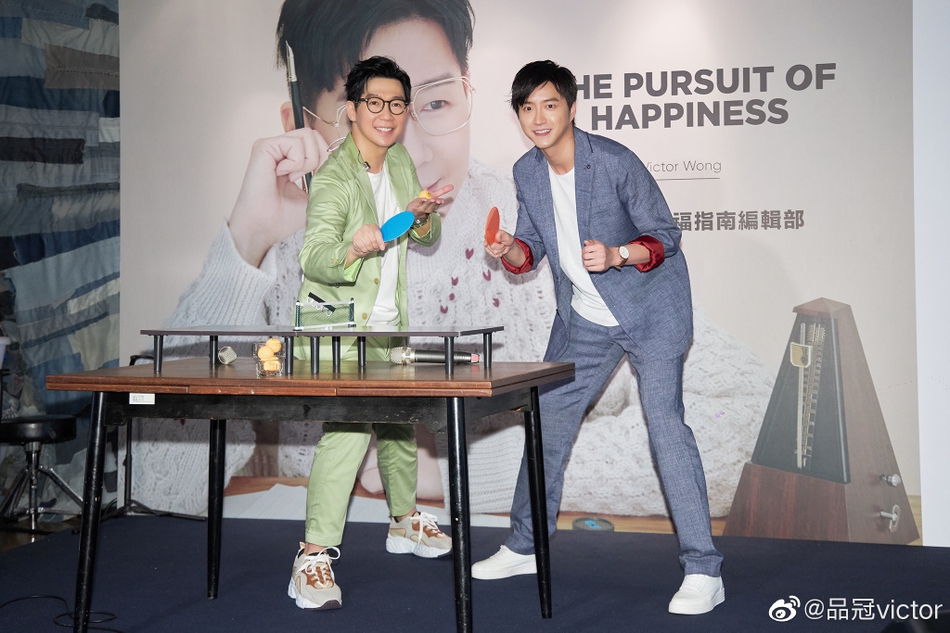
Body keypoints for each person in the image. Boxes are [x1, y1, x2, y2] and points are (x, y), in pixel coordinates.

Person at [134, 0, 772, 535]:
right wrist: (245, 244)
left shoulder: (534, 215)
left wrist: (470, 472)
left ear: (468, 90)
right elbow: (156, 482)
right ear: (303, 123)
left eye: (435, 104)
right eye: (371, 113)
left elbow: (743, 421)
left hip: (498, 556)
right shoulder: (284, 255)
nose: (409, 148)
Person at [475, 60, 725, 616]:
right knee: (545, 422)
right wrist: (508, 247)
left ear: (570, 107)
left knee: (666, 427)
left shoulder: (612, 160)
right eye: (527, 108)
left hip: (651, 312)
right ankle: (526, 546)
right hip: (585, 319)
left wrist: (618, 254)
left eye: (549, 105)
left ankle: (704, 569)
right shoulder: (526, 171)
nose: (539, 118)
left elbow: (665, 236)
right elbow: (530, 252)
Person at [287, 56, 454, 611]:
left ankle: (404, 521)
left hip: (385, 325)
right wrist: (353, 248)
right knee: (350, 430)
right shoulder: (335, 176)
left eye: (397, 104)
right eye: (375, 103)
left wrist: (422, 214)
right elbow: (313, 258)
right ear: (353, 109)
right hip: (339, 330)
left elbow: (421, 234)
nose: (387, 114)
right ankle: (311, 557)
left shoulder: (399, 158)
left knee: (399, 421)